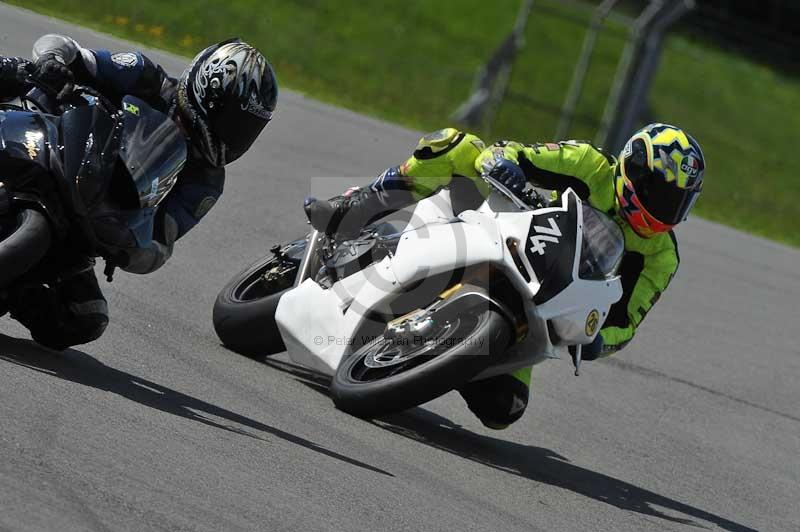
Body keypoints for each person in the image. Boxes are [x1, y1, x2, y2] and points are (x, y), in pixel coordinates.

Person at [304, 124, 705, 429]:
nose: (665, 209)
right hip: (500, 231)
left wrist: (599, 340)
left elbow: (626, 322)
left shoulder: (660, 256)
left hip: (540, 305)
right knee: (460, 146)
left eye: (678, 202)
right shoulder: (590, 165)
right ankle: (356, 207)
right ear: (634, 170)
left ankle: (441, 352)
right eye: (662, 194)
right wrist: (505, 165)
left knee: (503, 409)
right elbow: (512, 152)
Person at [0, 34, 278, 350]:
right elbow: (62, 46)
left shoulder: (207, 181)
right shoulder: (146, 78)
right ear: (208, 92)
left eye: (248, 127)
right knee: (17, 71)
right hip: (47, 136)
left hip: (89, 223)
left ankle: (13, 287)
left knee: (83, 318)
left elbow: (162, 241)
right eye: (235, 120)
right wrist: (53, 60)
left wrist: (130, 249)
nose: (237, 135)